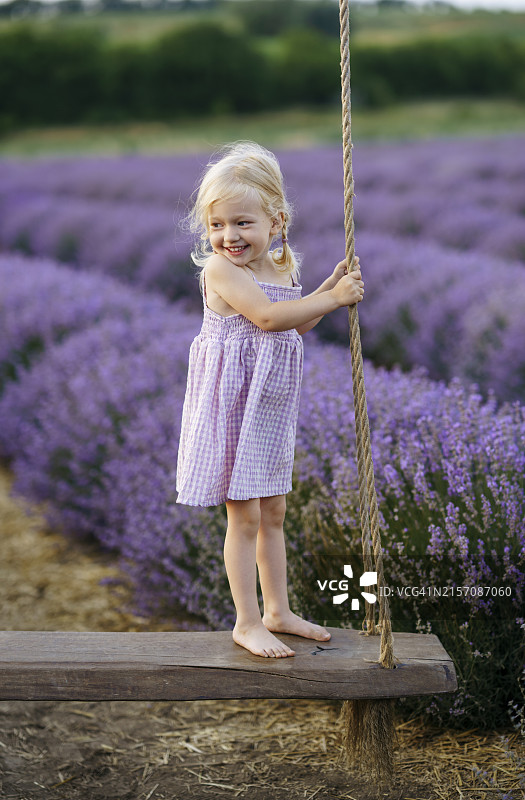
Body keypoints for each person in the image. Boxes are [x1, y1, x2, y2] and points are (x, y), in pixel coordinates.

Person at [176, 142, 364, 658]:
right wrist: (334, 297)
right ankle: (247, 620)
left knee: (275, 511)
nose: (228, 237)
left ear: (276, 222)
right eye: (216, 226)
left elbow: (296, 322)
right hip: (235, 404)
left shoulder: (282, 265)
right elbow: (264, 318)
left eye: (242, 223)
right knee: (245, 517)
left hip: (270, 404)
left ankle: (278, 610)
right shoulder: (221, 271)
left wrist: (325, 290)